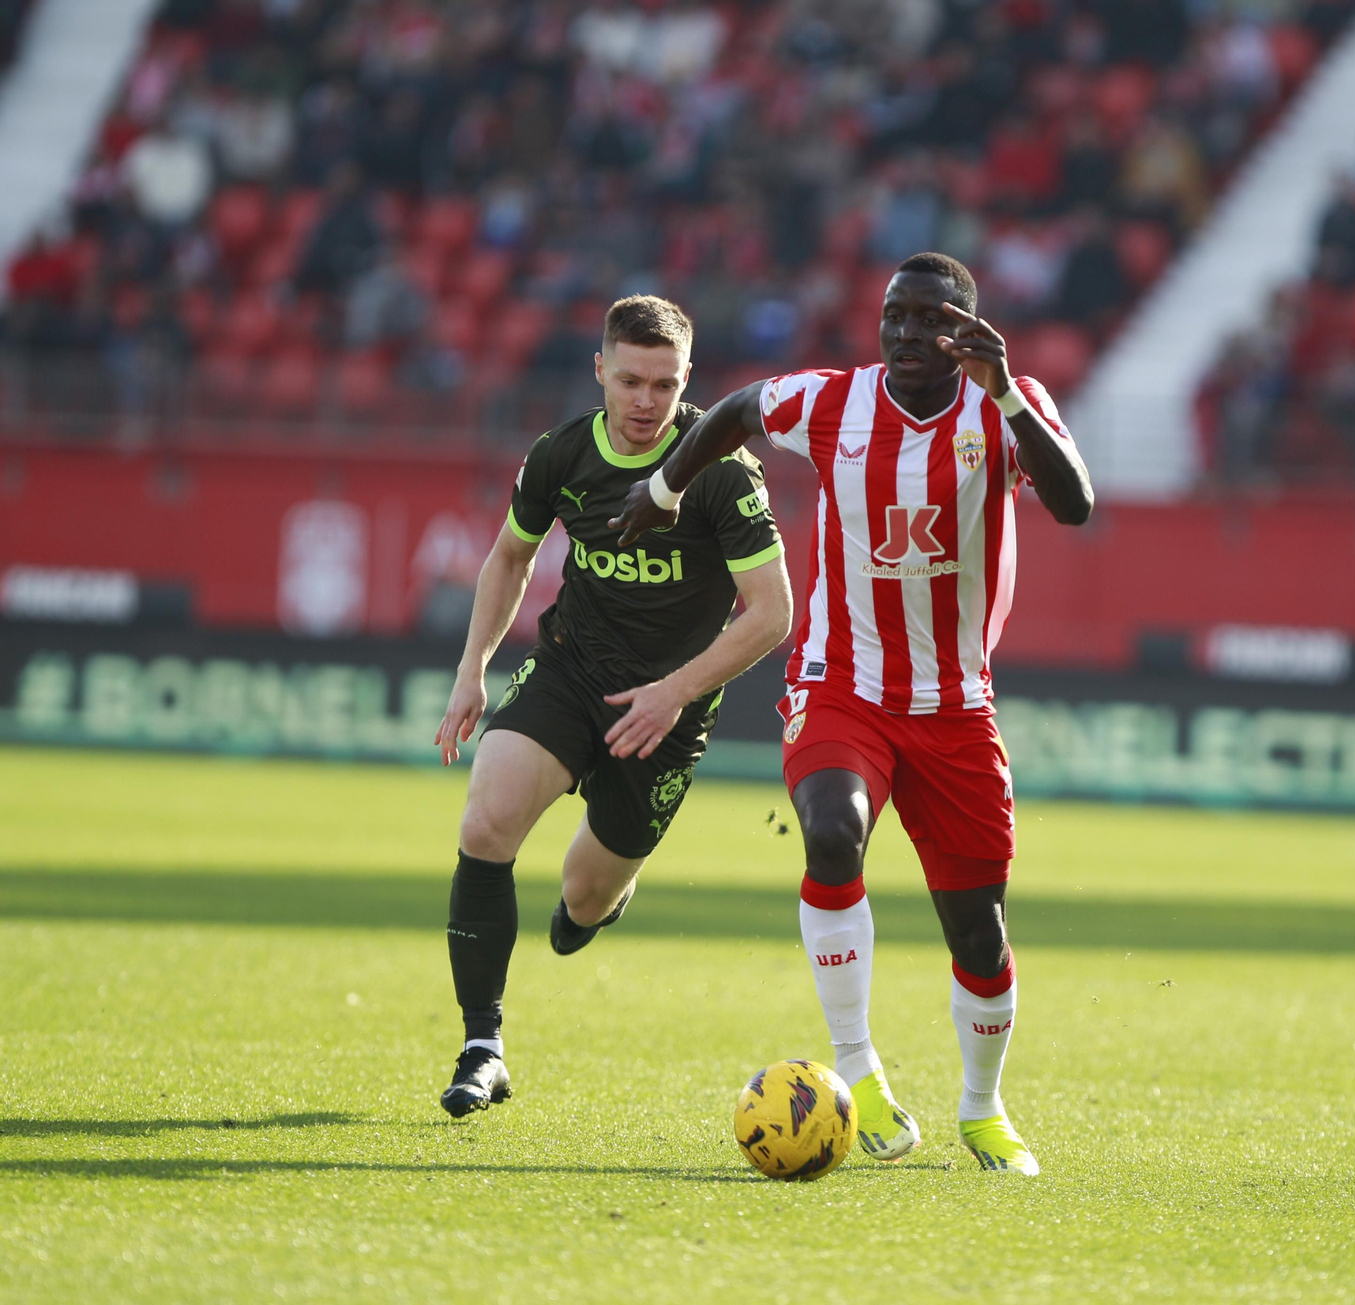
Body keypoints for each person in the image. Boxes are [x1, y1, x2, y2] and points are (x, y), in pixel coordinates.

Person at [612, 252, 1094, 1175]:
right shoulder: (835, 402)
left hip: (955, 708)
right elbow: (740, 410)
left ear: (966, 331)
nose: (909, 334)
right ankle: (856, 1069)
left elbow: (1073, 503)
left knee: (979, 934)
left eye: (931, 320)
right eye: (895, 316)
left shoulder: (1005, 404)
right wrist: (667, 489)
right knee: (831, 833)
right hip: (843, 685)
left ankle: (983, 1107)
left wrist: (1007, 395)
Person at [432, 294, 792, 1117]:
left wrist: (675, 691)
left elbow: (773, 613)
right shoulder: (561, 453)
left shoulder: (721, 469)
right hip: (570, 670)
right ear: (600, 369)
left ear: (687, 382)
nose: (644, 402)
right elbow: (509, 558)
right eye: (629, 380)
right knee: (486, 823)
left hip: (668, 711)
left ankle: (602, 896)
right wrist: (471, 669)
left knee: (583, 898)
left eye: (664, 385)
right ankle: (482, 1045)